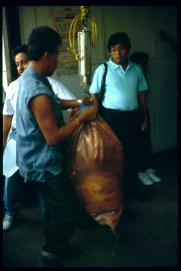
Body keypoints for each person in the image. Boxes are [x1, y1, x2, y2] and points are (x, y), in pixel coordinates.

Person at [15, 26, 94, 267]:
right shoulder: (36, 90)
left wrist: (79, 102)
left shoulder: (33, 77)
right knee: (66, 212)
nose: (58, 60)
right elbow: (54, 137)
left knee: (53, 208)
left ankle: (53, 243)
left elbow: (55, 102)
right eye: (58, 54)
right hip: (44, 164)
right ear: (47, 54)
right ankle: (51, 253)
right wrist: (82, 117)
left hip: (33, 159)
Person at [2, 44, 89, 232]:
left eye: (24, 62)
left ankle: (51, 219)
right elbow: (8, 115)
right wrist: (4, 141)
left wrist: (81, 103)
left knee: (44, 183)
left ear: (34, 59)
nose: (20, 67)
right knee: (12, 179)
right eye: (17, 64)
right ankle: (10, 212)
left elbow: (65, 101)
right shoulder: (16, 86)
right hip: (19, 137)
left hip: (40, 141)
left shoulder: (46, 84)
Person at [89, 32, 149, 198]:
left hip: (132, 117)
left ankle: (131, 190)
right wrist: (96, 114)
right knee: (113, 157)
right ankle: (114, 193)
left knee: (132, 154)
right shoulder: (104, 69)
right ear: (110, 51)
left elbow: (142, 93)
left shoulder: (136, 68)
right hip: (111, 119)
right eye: (114, 49)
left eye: (121, 49)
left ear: (128, 50)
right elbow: (94, 93)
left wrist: (144, 115)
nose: (117, 53)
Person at [130, 51, 161, 185]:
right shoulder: (133, 78)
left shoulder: (144, 76)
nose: (146, 67)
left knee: (146, 142)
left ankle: (146, 168)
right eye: (143, 64)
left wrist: (145, 116)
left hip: (143, 112)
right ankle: (140, 172)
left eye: (146, 64)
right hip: (135, 114)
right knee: (139, 143)